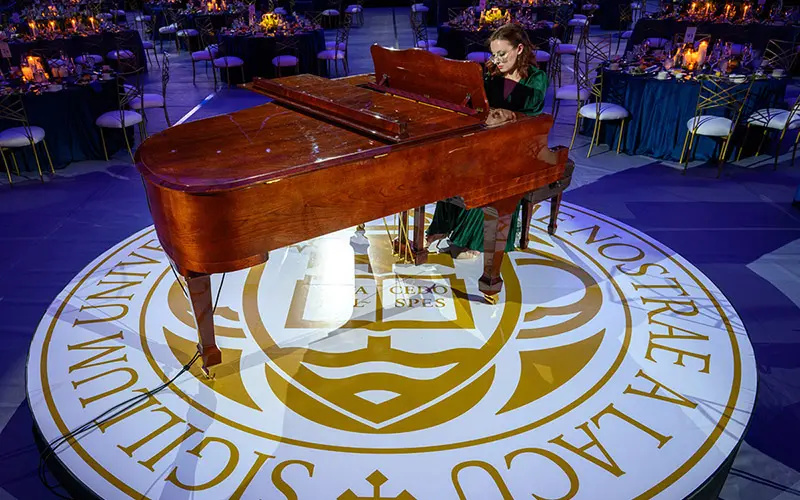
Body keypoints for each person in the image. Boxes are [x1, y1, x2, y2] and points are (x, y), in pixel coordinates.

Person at [426, 23, 549, 259]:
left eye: (502, 54)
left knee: (488, 174)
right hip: (490, 141)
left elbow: (531, 105)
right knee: (453, 164)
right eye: (494, 54)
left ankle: (470, 238)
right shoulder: (491, 73)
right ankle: (441, 227)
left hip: (521, 146)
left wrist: (495, 99)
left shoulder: (536, 77)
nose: (498, 59)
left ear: (519, 49)